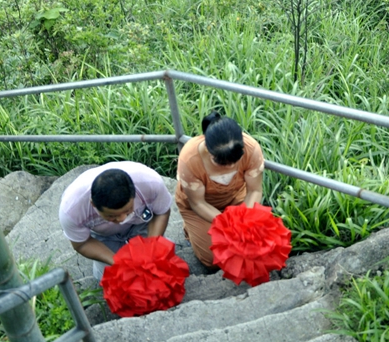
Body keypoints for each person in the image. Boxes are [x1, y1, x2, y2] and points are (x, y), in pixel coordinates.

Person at [175, 111, 265, 268]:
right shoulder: (190, 159)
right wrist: (228, 224)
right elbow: (198, 203)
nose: (230, 167)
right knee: (214, 259)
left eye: (235, 161)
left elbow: (255, 191)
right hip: (200, 207)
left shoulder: (252, 149)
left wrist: (242, 221)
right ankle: (191, 228)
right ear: (210, 153)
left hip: (237, 198)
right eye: (222, 163)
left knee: (257, 244)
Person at [59, 161, 172, 281]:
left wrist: (152, 245)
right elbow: (82, 244)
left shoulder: (151, 183)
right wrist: (118, 262)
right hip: (104, 235)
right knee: (111, 278)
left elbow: (162, 212)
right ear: (93, 205)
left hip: (140, 223)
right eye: (111, 216)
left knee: (162, 263)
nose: (122, 219)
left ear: (134, 195)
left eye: (127, 211)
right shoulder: (72, 210)